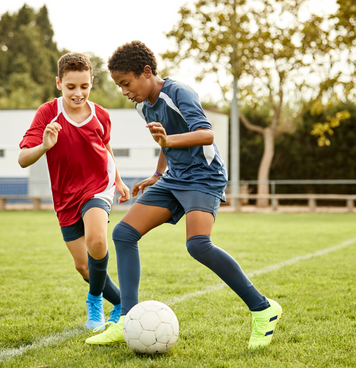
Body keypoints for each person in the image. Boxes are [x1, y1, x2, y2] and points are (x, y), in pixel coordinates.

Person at [85, 41, 282, 349]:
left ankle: (263, 308)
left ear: (146, 72)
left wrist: (169, 141)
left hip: (204, 177)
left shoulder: (178, 92)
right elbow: (164, 141)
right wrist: (157, 175)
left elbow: (206, 134)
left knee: (198, 245)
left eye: (126, 83)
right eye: (120, 85)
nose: (124, 91)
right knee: (124, 233)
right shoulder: (142, 104)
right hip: (174, 177)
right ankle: (127, 319)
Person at [18, 52, 130, 330]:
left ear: (92, 82)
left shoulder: (101, 114)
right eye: (71, 87)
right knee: (83, 267)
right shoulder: (47, 113)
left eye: (84, 86)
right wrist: (45, 146)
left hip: (97, 188)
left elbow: (105, 147)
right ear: (59, 83)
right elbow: (22, 159)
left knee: (97, 240)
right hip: (65, 196)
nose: (78, 93)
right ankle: (120, 303)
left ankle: (94, 301)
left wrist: (118, 179)